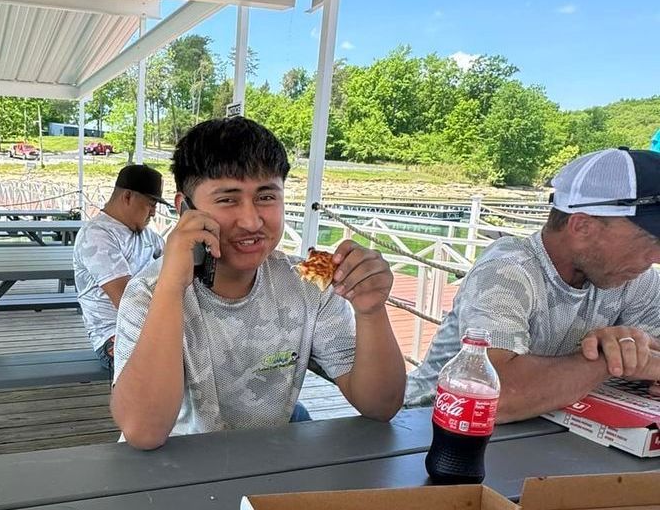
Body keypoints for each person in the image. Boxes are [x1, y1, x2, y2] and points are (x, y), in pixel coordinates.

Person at [110, 117, 406, 449]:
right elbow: (142, 432)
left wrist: (371, 312)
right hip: (170, 472)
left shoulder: (307, 286)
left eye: (266, 197)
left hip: (266, 465)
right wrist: (171, 287)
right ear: (184, 209)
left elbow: (381, 405)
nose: (251, 221)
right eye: (228, 199)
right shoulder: (149, 293)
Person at [406, 148, 660, 421]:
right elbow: (495, 396)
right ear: (582, 227)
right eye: (651, 240)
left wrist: (632, 357)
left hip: (538, 434)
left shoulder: (634, 276)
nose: (657, 257)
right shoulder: (508, 269)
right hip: (424, 426)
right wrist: (608, 358)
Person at [72, 165, 166, 375]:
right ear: (127, 197)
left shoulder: (147, 235)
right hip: (114, 334)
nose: (153, 211)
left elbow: (178, 267)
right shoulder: (97, 235)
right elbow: (128, 302)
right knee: (161, 368)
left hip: (152, 327)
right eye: (150, 204)